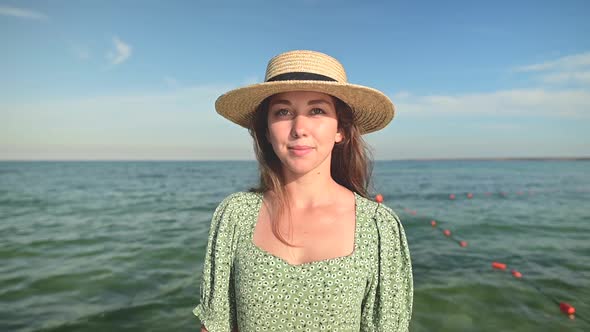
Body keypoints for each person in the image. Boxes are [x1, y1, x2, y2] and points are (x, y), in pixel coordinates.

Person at [193, 50, 413, 331]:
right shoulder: (235, 215)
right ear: (266, 131)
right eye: (283, 112)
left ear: (340, 130)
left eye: (317, 110)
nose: (299, 128)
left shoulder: (379, 227)